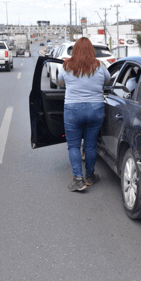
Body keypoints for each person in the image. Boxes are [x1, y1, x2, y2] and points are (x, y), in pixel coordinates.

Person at [58, 37, 110, 192]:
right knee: (90, 144)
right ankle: (90, 176)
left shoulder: (67, 65)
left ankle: (78, 180)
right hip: (95, 109)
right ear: (91, 50)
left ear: (75, 50)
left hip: (73, 109)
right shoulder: (99, 66)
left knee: (73, 145)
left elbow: (60, 81)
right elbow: (108, 80)